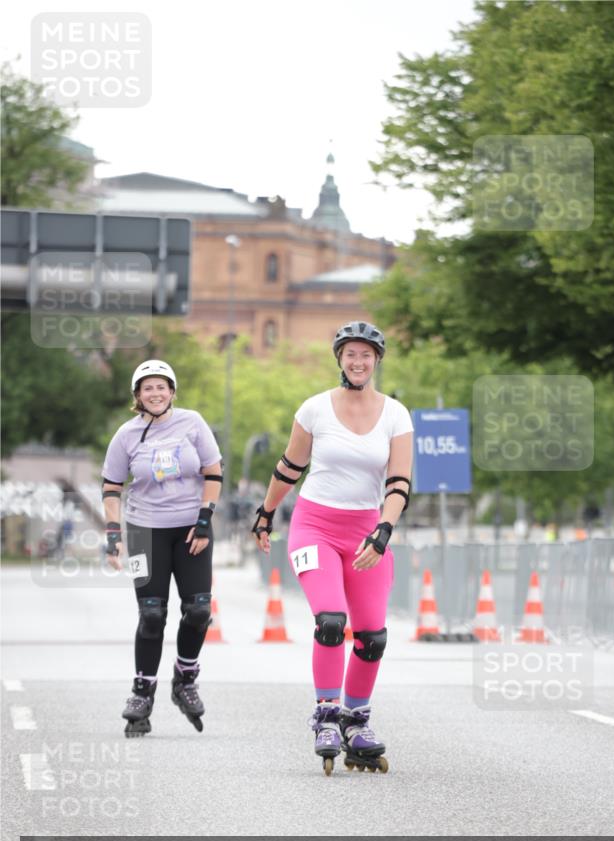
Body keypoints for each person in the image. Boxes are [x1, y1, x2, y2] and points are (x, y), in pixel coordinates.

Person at [252, 322, 413, 775]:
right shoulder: (315, 409)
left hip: (366, 531)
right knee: (330, 622)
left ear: (377, 360)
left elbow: (399, 482)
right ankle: (326, 714)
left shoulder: (396, 415)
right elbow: (289, 467)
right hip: (314, 525)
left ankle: (356, 721)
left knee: (372, 638)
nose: (358, 362)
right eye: (350, 355)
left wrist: (383, 531)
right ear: (339, 359)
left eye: (366, 355)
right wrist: (265, 514)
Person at [101, 359, 223, 737]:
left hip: (191, 530)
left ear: (172, 391)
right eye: (147, 388)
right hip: (142, 533)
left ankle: (185, 677)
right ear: (137, 396)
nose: (155, 393)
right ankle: (142, 693)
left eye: (162, 386)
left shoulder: (192, 423)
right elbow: (111, 485)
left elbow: (213, 471)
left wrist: (204, 520)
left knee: (199, 610)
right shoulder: (126, 435)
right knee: (151, 614)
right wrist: (113, 535)